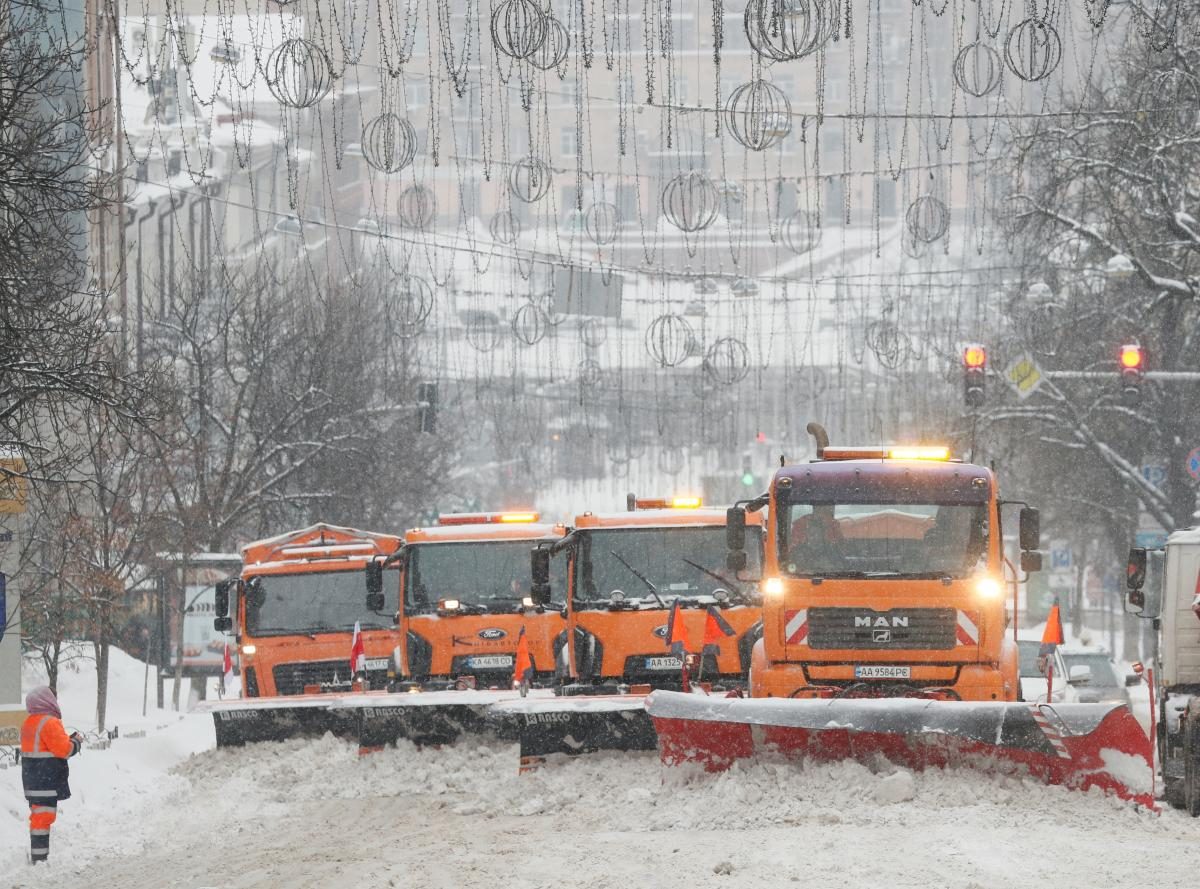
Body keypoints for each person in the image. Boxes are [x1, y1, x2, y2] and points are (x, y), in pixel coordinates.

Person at [20, 686, 83, 864]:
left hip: (32, 781)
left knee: (39, 817)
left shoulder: (29, 723)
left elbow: (43, 747)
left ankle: (38, 856)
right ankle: (39, 859)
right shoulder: (49, 722)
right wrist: (76, 742)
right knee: (43, 819)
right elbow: (64, 750)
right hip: (45, 780)